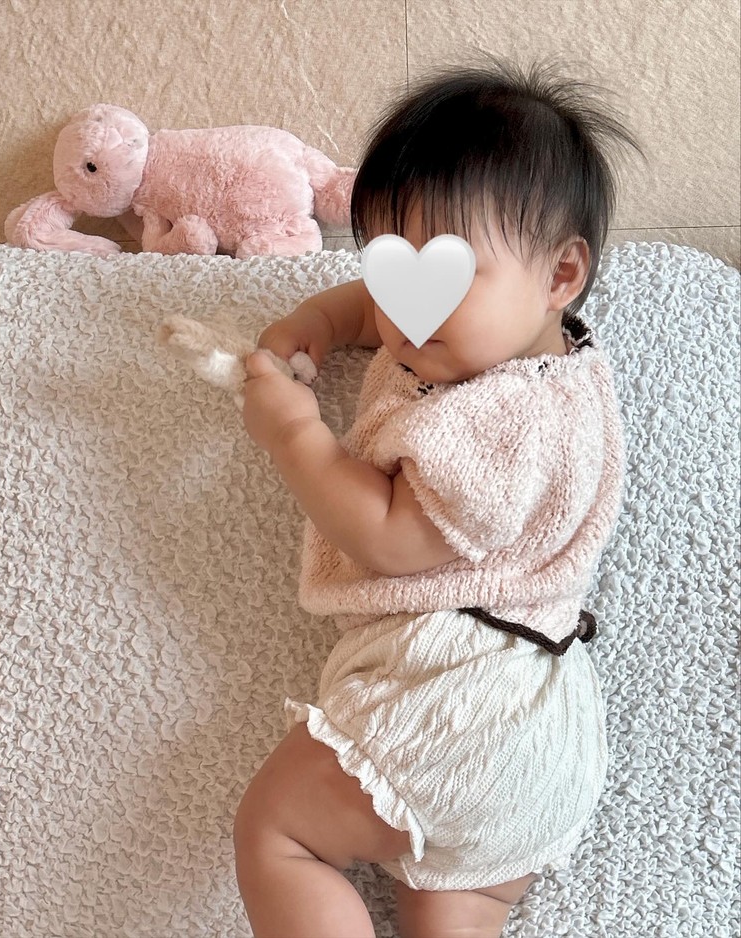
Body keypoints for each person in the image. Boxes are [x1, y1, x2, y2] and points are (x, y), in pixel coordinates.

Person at [234, 57, 641, 938]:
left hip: (460, 699)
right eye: (390, 269)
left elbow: (392, 538)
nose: (404, 311)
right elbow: (372, 307)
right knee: (453, 908)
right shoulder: (530, 353)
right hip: (537, 745)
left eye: (446, 275)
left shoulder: (509, 418)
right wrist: (317, 324)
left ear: (561, 274)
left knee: (278, 835)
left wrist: (296, 436)